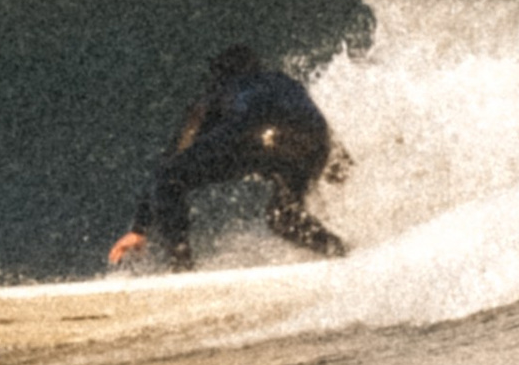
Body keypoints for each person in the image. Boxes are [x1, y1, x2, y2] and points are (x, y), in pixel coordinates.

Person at [109, 47, 347, 270]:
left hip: (253, 132)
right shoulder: (285, 82)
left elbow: (175, 155)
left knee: (169, 176)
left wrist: (140, 227)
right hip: (312, 139)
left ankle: (181, 268)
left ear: (219, 74)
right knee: (284, 216)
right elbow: (329, 142)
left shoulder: (223, 87)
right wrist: (339, 170)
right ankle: (341, 254)